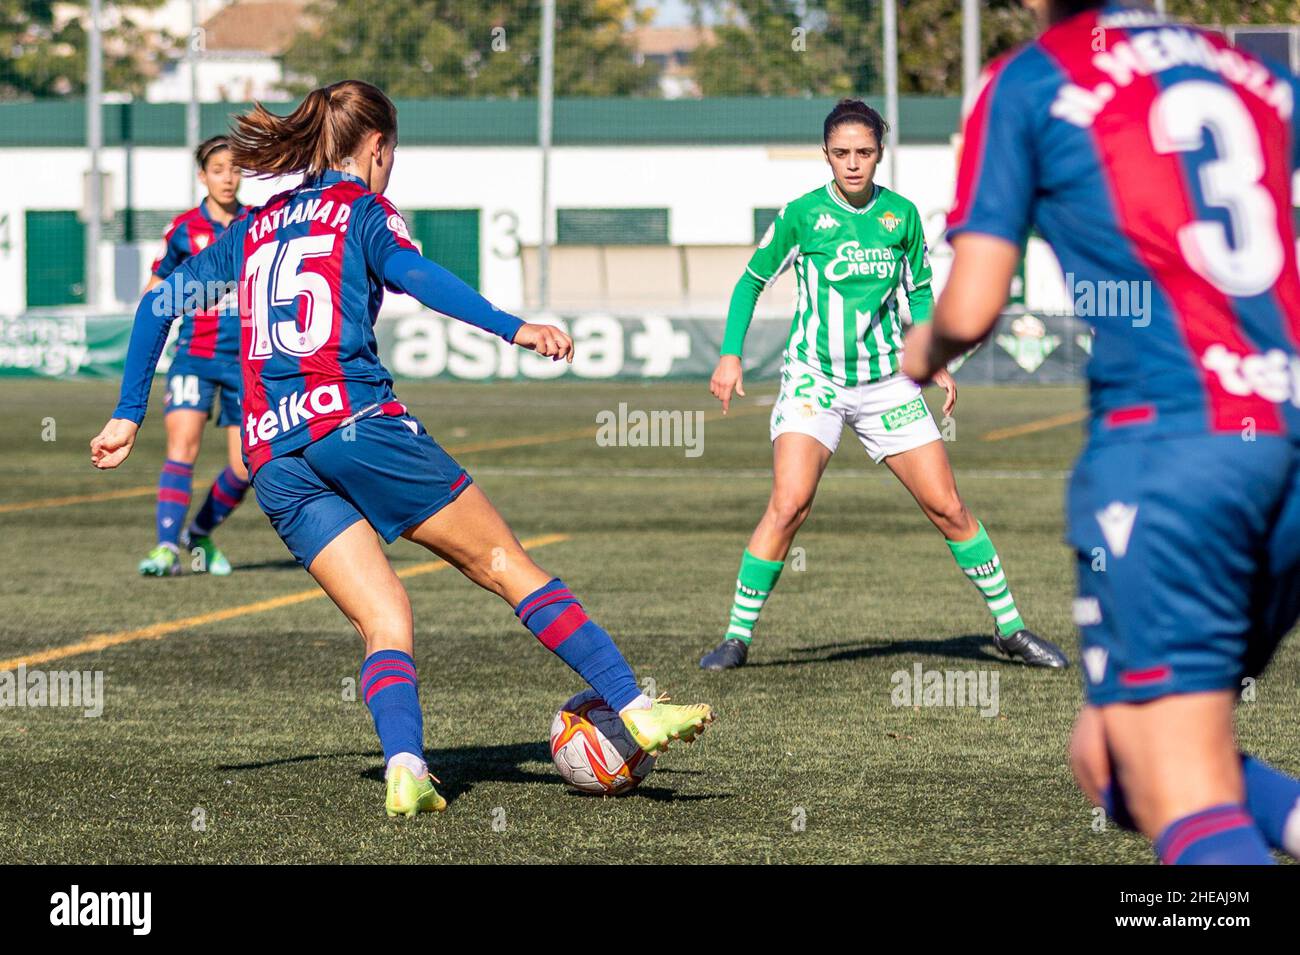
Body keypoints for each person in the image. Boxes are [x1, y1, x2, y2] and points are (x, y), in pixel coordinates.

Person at [91, 80, 714, 818]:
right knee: (505, 563)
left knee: (384, 619)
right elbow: (418, 276)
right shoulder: (363, 210)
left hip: (272, 456)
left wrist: (129, 413)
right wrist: (513, 326)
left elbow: (158, 301)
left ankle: (408, 767)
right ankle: (632, 702)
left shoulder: (257, 226)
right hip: (354, 422)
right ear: (378, 148)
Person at [904, 0, 1300, 863]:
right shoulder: (1257, 76)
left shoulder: (1030, 78)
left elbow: (973, 304)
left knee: (1175, 781)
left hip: (1173, 451)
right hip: (1285, 434)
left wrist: (919, 347)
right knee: (1115, 755)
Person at [701, 98, 1067, 671]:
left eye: (864, 153)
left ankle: (1012, 630)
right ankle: (736, 637)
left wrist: (935, 355)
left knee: (947, 507)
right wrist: (730, 356)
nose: (853, 164)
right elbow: (750, 282)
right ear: (826, 154)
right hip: (814, 380)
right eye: (842, 153)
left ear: (879, 154)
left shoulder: (902, 216)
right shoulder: (801, 214)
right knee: (790, 503)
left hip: (887, 384)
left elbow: (919, 291)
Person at [138, 136, 250, 577]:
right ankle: (166, 548)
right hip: (195, 356)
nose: (228, 177)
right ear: (202, 176)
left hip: (246, 362)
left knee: (246, 467)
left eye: (236, 169)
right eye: (219, 169)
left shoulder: (257, 223)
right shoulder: (185, 228)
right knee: (181, 448)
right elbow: (155, 290)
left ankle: (199, 532)